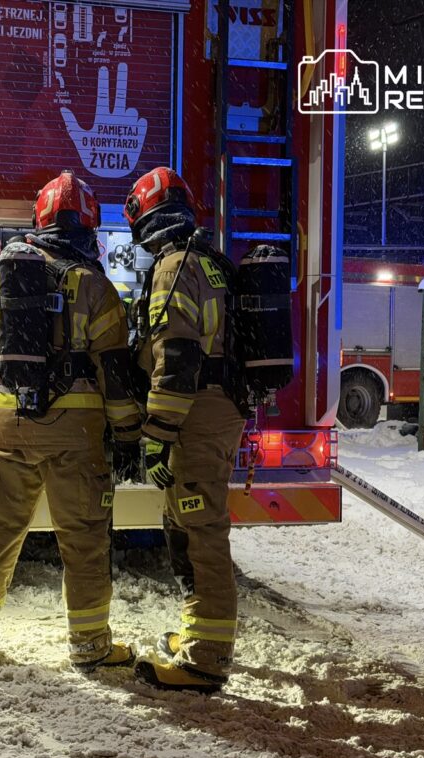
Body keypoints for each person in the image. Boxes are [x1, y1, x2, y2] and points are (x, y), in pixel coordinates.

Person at [0, 171, 141, 671]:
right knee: (83, 540)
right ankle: (89, 646)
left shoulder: (6, 279)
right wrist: (127, 434)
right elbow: (115, 373)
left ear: (39, 221)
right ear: (88, 227)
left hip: (11, 425)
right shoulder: (95, 287)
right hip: (75, 435)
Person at [125, 167, 246, 693]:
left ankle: (205, 660)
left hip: (195, 412)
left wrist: (158, 433)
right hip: (216, 409)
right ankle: (200, 636)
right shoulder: (212, 263)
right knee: (187, 522)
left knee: (201, 532)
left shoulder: (174, 267)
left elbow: (175, 358)